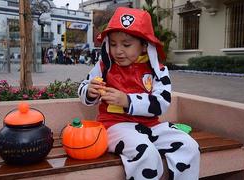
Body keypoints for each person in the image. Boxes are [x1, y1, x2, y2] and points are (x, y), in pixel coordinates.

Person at [78, 7, 200, 180]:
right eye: (113, 44)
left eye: (126, 45)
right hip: (114, 126)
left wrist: (127, 100)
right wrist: (89, 91)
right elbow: (83, 87)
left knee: (189, 146)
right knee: (146, 153)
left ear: (144, 45)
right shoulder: (104, 66)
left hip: (151, 126)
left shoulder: (158, 71)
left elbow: (162, 102)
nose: (118, 50)